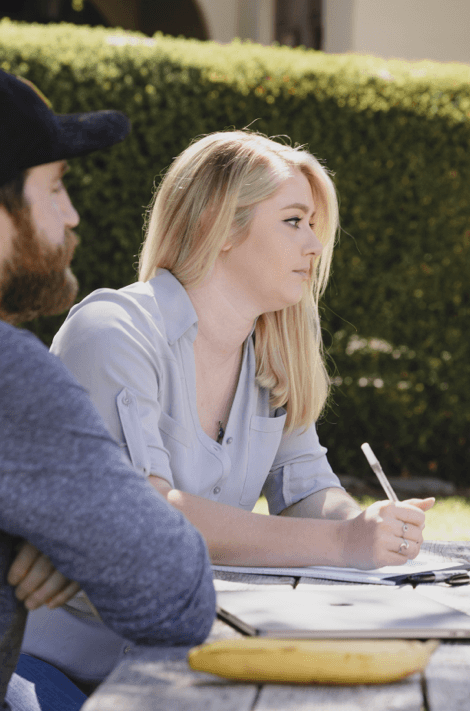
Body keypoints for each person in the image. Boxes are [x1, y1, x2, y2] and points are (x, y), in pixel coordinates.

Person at [22, 130, 434, 685]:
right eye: (293, 221)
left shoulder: (274, 351)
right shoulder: (112, 333)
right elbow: (145, 519)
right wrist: (342, 542)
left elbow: (306, 489)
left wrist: (367, 525)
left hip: (182, 660)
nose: (314, 246)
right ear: (220, 228)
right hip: (52, 670)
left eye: (313, 225)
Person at [0, 71, 216, 711]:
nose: (72, 215)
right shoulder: (11, 378)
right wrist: (84, 540)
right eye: (56, 186)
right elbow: (175, 597)